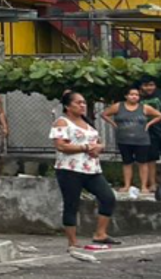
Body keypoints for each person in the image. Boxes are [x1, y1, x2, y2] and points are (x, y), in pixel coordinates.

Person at [50, 91, 119, 249]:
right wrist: (85, 147)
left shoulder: (87, 122)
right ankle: (72, 242)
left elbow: (99, 142)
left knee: (108, 197)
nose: (82, 105)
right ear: (68, 106)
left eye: (84, 103)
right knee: (72, 204)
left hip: (92, 169)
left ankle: (100, 233)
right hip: (70, 169)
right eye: (78, 103)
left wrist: (98, 148)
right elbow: (61, 146)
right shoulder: (62, 123)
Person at [102, 86, 161, 195]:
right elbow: (104, 114)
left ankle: (144, 186)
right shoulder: (118, 106)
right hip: (123, 140)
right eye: (131, 94)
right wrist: (114, 124)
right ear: (126, 96)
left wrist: (149, 124)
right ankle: (127, 185)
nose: (134, 97)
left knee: (142, 163)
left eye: (136, 95)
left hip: (142, 140)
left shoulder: (144, 107)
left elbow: (160, 115)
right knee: (127, 163)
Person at [138, 76, 161, 191]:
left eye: (151, 85)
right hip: (147, 132)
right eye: (146, 85)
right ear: (141, 86)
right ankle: (152, 184)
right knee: (151, 159)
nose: (149, 88)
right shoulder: (137, 96)